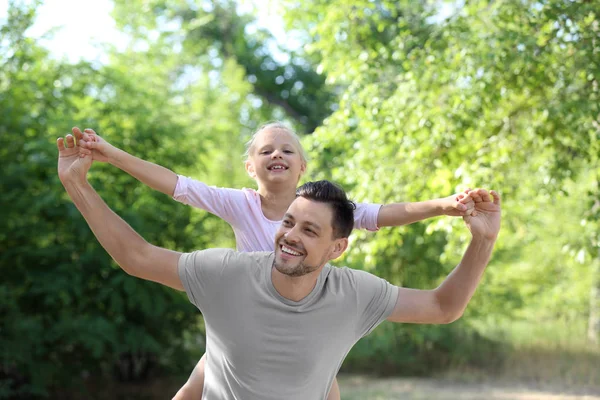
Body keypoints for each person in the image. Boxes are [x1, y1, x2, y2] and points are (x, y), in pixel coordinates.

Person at [57, 132, 501, 400]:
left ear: (337, 248)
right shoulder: (227, 273)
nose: (289, 235)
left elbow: (444, 307)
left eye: (310, 231)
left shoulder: (355, 294)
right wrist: (78, 185)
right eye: (288, 223)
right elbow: (137, 256)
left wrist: (481, 240)